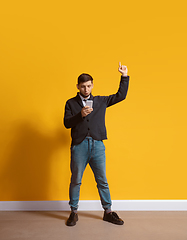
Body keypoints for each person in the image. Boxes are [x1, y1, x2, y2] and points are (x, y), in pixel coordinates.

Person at [63, 62, 129, 226]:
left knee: (102, 180)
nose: (86, 89)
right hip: (79, 145)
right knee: (76, 180)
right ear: (78, 86)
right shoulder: (71, 103)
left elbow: (120, 95)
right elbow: (66, 123)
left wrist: (124, 76)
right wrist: (80, 115)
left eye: (89, 86)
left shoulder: (101, 101)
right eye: (83, 86)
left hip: (98, 144)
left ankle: (108, 211)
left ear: (92, 85)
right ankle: (74, 212)